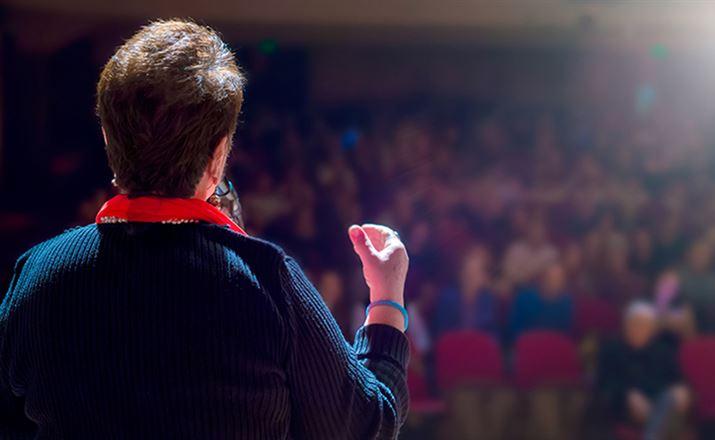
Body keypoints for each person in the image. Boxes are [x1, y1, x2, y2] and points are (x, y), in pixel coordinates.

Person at [0, 20, 410, 439]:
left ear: (108, 139)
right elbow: (366, 425)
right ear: (218, 155)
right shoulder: (267, 281)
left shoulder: (35, 276)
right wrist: (387, 301)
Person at [597, 302, 691, 440]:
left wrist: (681, 388)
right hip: (627, 409)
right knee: (667, 417)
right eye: (634, 324)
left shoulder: (663, 351)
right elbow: (603, 384)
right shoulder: (611, 350)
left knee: (671, 399)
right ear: (625, 326)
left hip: (659, 404)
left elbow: (677, 380)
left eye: (644, 326)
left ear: (652, 330)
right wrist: (627, 396)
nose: (638, 329)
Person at [508, 263, 573, 340]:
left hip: (553, 346)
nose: (555, 283)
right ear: (543, 280)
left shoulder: (566, 303)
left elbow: (565, 333)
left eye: (559, 279)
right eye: (551, 278)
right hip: (527, 344)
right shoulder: (524, 298)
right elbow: (515, 329)